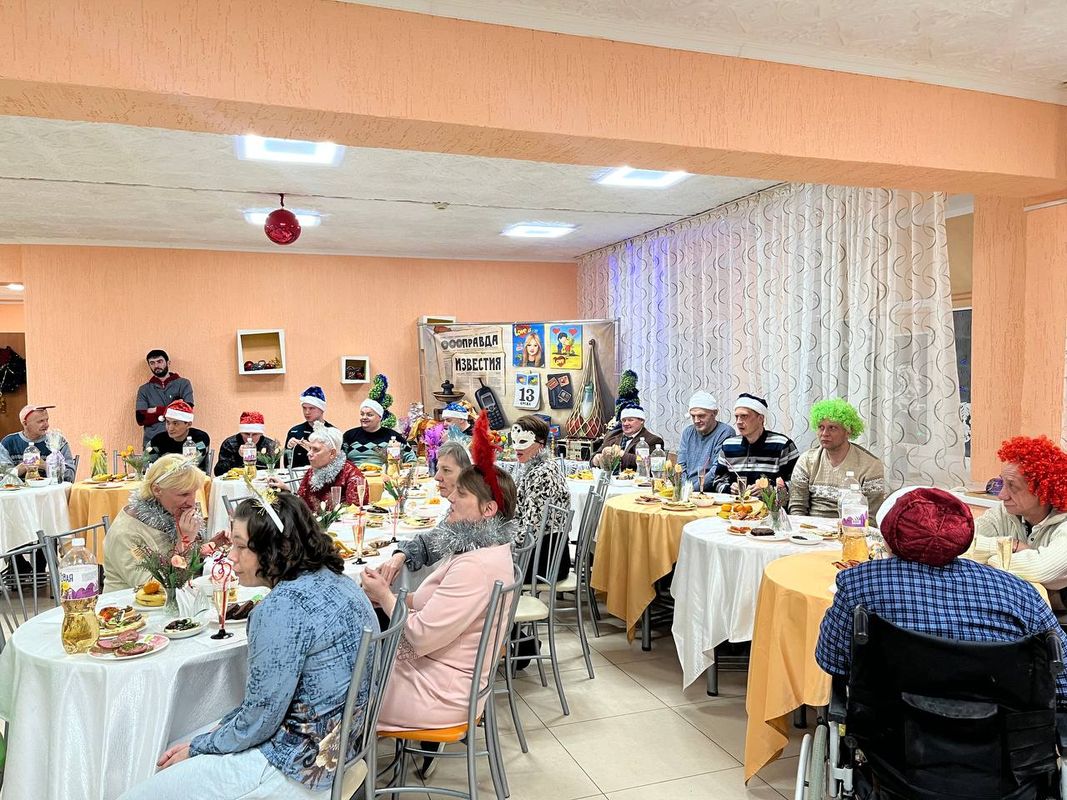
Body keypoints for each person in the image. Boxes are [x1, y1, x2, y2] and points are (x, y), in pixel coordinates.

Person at [118, 492, 379, 800]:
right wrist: (211, 736)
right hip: (344, 749)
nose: (231, 556)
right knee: (178, 745)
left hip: (297, 767)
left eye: (241, 546)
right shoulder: (339, 580)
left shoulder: (281, 608)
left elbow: (258, 722)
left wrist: (202, 745)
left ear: (277, 548)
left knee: (142, 786)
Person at [362, 412, 516, 779]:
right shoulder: (477, 549)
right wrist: (388, 598)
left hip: (442, 691)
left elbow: (420, 636)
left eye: (461, 495)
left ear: (488, 509)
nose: (451, 500)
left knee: (341, 682)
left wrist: (385, 596)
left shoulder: (476, 565)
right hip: (442, 672)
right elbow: (430, 603)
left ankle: (341, 775)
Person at [816, 487, 1067, 710]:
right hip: (998, 738)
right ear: (963, 537)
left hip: (888, 734)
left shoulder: (858, 584)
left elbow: (832, 661)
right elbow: (1062, 677)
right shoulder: (1020, 593)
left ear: (889, 535)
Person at [967, 436, 1067, 596]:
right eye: (1002, 483)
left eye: (1012, 486)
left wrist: (990, 562)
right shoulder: (1003, 512)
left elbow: (1041, 568)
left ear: (1043, 491)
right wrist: (1012, 546)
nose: (1001, 495)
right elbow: (963, 542)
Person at [102, 454, 206, 592]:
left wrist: (210, 546)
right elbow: (156, 588)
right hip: (129, 603)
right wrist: (184, 542)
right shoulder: (126, 533)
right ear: (157, 490)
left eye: (194, 493)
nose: (192, 502)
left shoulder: (169, 513)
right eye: (183, 494)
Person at [377, 441, 473, 581]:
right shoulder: (460, 508)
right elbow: (435, 539)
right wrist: (402, 554)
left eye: (446, 470)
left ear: (466, 473)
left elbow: (435, 542)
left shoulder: (469, 512)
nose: (437, 477)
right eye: (438, 469)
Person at [788, 398, 886, 518]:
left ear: (848, 431)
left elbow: (872, 516)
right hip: (810, 527)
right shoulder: (807, 461)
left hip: (852, 526)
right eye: (821, 427)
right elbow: (797, 507)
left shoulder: (870, 465)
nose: (825, 433)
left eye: (832, 428)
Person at [512, 415, 571, 581]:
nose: (516, 447)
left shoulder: (542, 474)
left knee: (481, 569)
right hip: (544, 554)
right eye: (514, 441)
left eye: (523, 441)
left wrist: (502, 546)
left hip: (544, 562)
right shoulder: (536, 467)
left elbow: (532, 529)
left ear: (541, 444)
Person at [271, 422, 368, 512]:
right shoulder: (312, 472)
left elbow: (356, 513)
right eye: (310, 448)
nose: (309, 453)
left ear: (332, 453)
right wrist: (286, 490)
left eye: (316, 450)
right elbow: (302, 504)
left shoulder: (352, 475)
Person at [711, 393, 799, 491]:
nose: (738, 421)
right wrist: (729, 489)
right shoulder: (728, 446)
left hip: (770, 501)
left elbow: (797, 483)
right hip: (737, 501)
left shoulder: (782, 444)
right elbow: (717, 481)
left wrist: (769, 491)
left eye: (744, 416)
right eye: (736, 417)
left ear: (760, 419)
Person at [0, 404, 75, 481]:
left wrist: (46, 466)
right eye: (40, 421)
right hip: (19, 488)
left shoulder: (57, 441)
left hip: (51, 488)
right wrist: (23, 467)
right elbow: (2, 478)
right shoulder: (8, 443)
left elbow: (70, 476)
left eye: (47, 420)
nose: (47, 425)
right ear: (25, 423)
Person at [135, 349, 194, 447]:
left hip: (179, 440)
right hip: (152, 442)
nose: (156, 366)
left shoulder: (183, 384)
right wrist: (174, 407)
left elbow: (187, 411)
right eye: (152, 363)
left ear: (168, 363)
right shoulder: (144, 389)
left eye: (159, 361)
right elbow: (140, 418)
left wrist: (155, 410)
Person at [676, 391, 734, 491]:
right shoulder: (687, 432)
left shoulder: (725, 432)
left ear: (714, 413)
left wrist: (692, 490)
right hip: (687, 490)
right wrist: (685, 489)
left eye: (701, 416)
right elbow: (681, 466)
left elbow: (716, 471)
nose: (696, 420)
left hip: (711, 491)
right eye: (693, 416)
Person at [590, 405, 665, 472]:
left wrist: (622, 455)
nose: (625, 424)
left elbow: (650, 464)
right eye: (624, 420)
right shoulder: (612, 435)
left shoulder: (653, 440)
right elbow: (593, 458)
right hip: (610, 479)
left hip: (636, 480)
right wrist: (595, 460)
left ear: (641, 421)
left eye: (630, 420)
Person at [343, 398, 414, 467]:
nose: (364, 417)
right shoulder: (349, 435)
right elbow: (339, 460)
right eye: (362, 414)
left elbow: (412, 460)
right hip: (354, 474)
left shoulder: (393, 437)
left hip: (383, 474)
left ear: (380, 417)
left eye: (369, 415)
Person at [148, 400, 211, 473]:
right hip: (164, 478)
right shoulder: (158, 440)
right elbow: (147, 463)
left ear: (188, 424)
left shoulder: (200, 438)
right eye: (168, 422)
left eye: (175, 423)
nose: (170, 428)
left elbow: (192, 463)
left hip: (193, 477)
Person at [284, 386, 336, 471]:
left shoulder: (332, 432)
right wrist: (290, 448)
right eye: (304, 408)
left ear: (322, 409)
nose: (307, 412)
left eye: (311, 408)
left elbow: (337, 461)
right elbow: (287, 464)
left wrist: (312, 448)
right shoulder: (294, 431)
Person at [213, 411, 279, 476]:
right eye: (246, 434)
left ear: (261, 434)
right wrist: (238, 455)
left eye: (255, 434)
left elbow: (275, 471)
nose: (250, 438)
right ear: (241, 433)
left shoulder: (270, 445)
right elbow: (219, 472)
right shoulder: (229, 444)